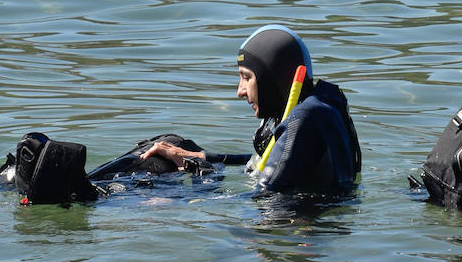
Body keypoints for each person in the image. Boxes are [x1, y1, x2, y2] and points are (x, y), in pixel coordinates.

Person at [142, 24, 361, 193]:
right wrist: (201, 156)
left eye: (247, 77)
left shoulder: (302, 121)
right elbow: (276, 160)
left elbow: (262, 196)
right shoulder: (319, 109)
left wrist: (203, 173)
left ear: (273, 78)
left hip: (286, 236)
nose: (240, 91)